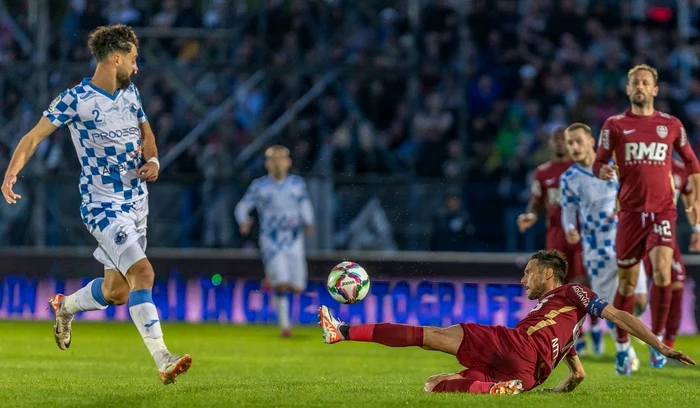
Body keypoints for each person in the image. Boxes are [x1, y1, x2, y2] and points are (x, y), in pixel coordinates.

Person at [0, 25, 191, 384]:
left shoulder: (130, 93)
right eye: (133, 60)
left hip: (137, 203)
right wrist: (11, 173)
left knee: (117, 292)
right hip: (103, 206)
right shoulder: (75, 100)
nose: (137, 67)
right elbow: (32, 137)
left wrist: (154, 161)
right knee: (144, 274)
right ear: (115, 58)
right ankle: (163, 358)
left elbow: (146, 132)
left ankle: (65, 307)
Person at [318, 250, 694, 395]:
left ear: (549, 273)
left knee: (431, 335)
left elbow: (619, 315)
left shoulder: (574, 293)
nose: (523, 280)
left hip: (517, 347)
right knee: (433, 385)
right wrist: (555, 391)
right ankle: (496, 389)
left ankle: (343, 331)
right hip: (529, 376)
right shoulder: (563, 322)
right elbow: (577, 373)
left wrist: (658, 344)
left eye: (529, 273)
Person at [593, 64, 700, 372]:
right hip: (629, 214)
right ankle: (624, 347)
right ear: (628, 89)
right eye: (635, 83)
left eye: (645, 82)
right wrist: (602, 169)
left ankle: (660, 343)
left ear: (655, 90)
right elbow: (599, 161)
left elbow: (692, 162)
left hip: (663, 210)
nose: (640, 86)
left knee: (663, 272)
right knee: (626, 286)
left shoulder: (671, 124)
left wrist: (696, 206)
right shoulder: (614, 125)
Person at [559, 123, 648, 368]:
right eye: (569, 143)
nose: (574, 147)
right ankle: (626, 350)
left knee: (639, 300)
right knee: (611, 307)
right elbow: (567, 213)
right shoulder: (568, 178)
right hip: (596, 248)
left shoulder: (614, 166)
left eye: (578, 141)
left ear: (592, 141)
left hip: (626, 238)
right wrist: (570, 230)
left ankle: (630, 328)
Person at [235, 145, 315, 338]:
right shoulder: (260, 186)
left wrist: (309, 222)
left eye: (282, 158)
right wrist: (243, 220)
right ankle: (285, 326)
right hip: (272, 240)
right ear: (267, 164)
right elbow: (242, 205)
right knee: (282, 284)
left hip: (294, 239)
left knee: (297, 287)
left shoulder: (297, 184)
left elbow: (305, 204)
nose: (278, 163)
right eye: (274, 159)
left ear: (289, 162)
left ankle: (271, 278)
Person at [642, 159, 700, 353]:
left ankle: (665, 343)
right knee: (635, 294)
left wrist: (697, 229)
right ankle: (626, 338)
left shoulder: (680, 169)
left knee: (676, 285)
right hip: (637, 233)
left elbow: (690, 201)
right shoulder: (639, 162)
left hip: (666, 234)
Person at [518, 128, 584, 285]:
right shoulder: (542, 172)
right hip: (556, 234)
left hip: (581, 233)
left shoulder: (582, 169)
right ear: (550, 144)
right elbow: (537, 201)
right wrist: (531, 216)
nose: (560, 144)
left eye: (564, 140)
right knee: (557, 282)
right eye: (557, 140)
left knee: (582, 280)